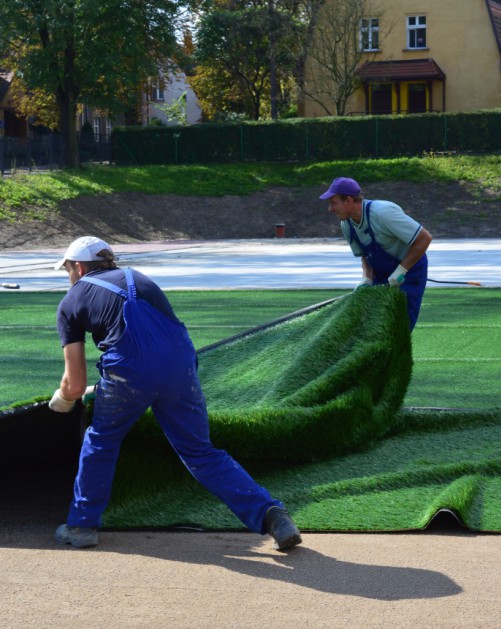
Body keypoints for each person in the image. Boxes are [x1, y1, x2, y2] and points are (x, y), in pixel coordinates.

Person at [49, 235, 301, 551]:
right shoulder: (140, 278)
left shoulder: (72, 300)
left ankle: (82, 525)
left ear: (80, 267)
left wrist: (64, 399)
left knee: (100, 441)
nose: (69, 277)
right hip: (181, 366)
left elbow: (73, 384)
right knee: (200, 452)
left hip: (129, 372)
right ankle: (271, 513)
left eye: (68, 270)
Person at [319, 177, 432, 330]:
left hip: (410, 272)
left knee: (398, 327)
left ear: (349, 200)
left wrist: (401, 271)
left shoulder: (383, 213)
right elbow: (365, 255)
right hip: (381, 274)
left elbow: (424, 239)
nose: (330, 209)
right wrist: (366, 277)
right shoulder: (346, 225)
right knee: (370, 325)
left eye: (333, 203)